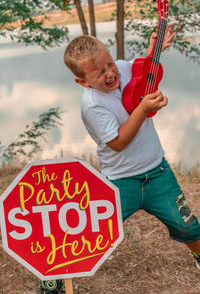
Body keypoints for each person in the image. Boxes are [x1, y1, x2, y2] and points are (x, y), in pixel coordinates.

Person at [63, 27, 200, 270]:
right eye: (99, 73)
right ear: (82, 81)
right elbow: (118, 143)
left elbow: (145, 75)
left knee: (186, 224)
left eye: (109, 64)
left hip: (157, 172)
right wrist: (143, 110)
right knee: (96, 231)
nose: (109, 73)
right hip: (120, 181)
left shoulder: (123, 68)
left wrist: (155, 51)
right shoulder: (93, 105)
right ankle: (57, 273)